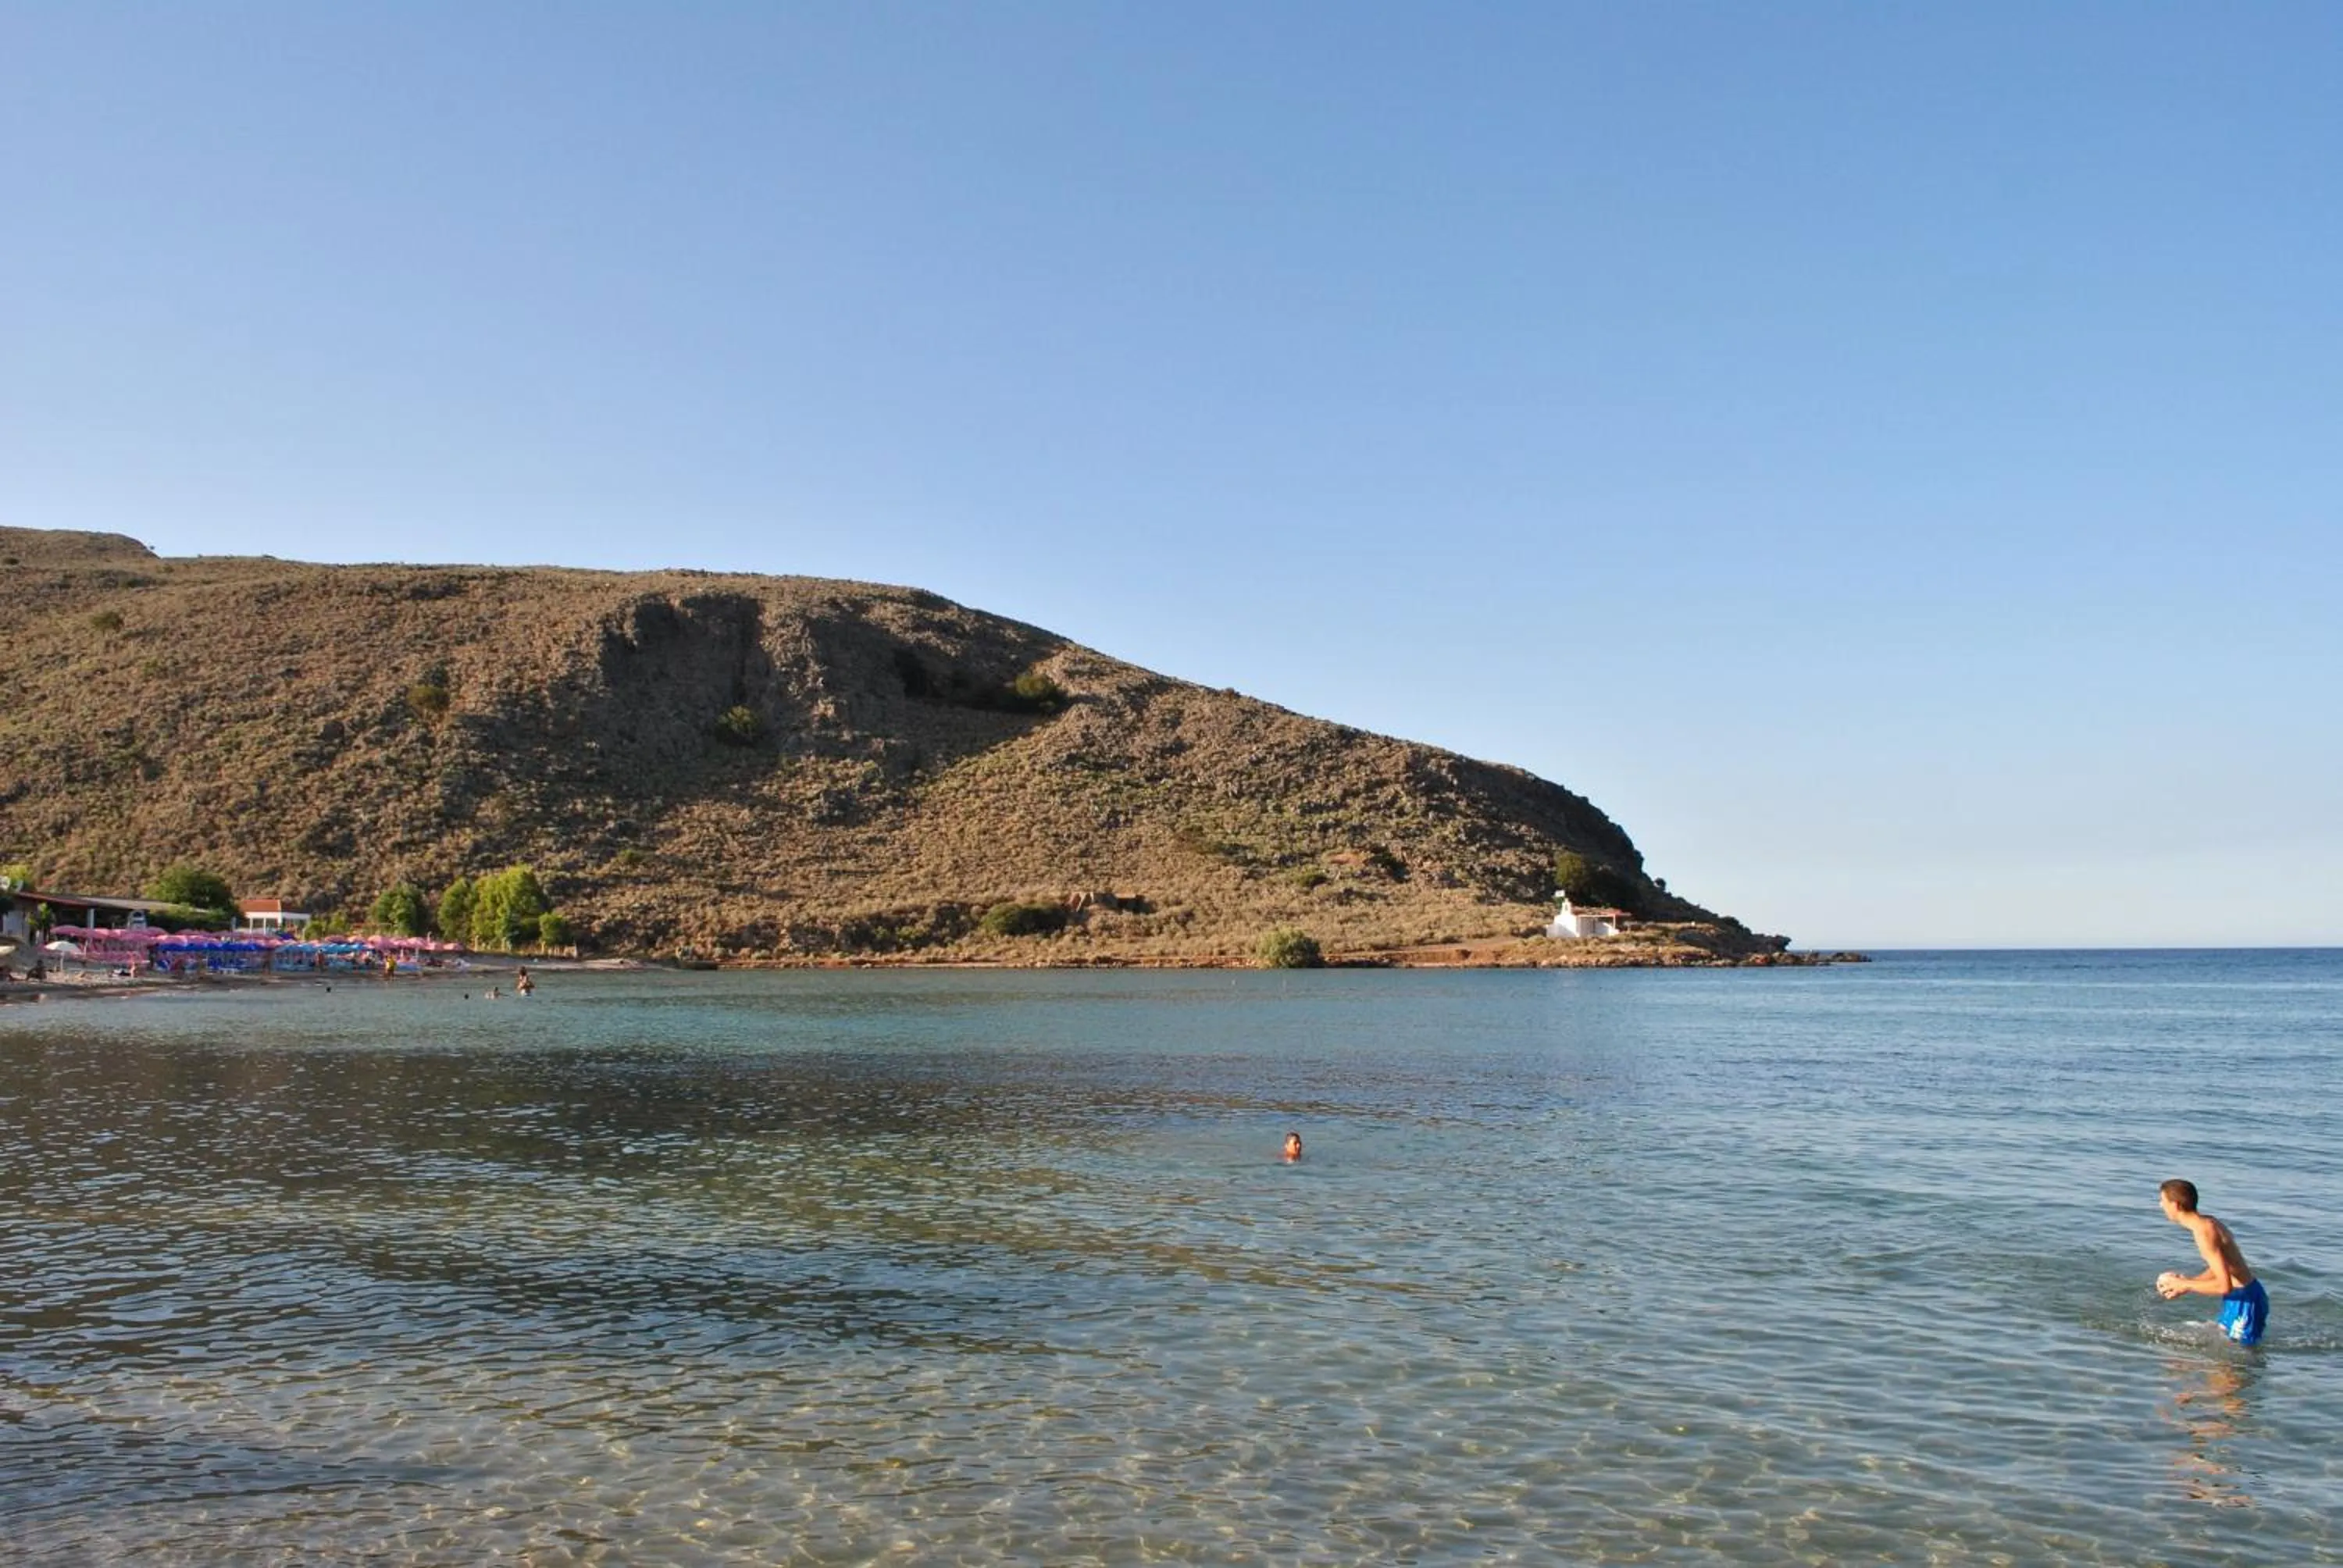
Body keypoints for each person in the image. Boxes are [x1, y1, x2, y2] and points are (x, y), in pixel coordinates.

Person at [2157, 1178, 2268, 1346]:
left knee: (2239, 1359)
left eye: (2163, 1200)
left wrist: (2184, 1285)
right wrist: (2189, 1282)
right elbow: (2225, 1266)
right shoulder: (2208, 1223)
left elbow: (2224, 1286)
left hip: (2246, 1301)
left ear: (2176, 1205)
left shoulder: (2204, 1232)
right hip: (2238, 1297)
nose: (2160, 1205)